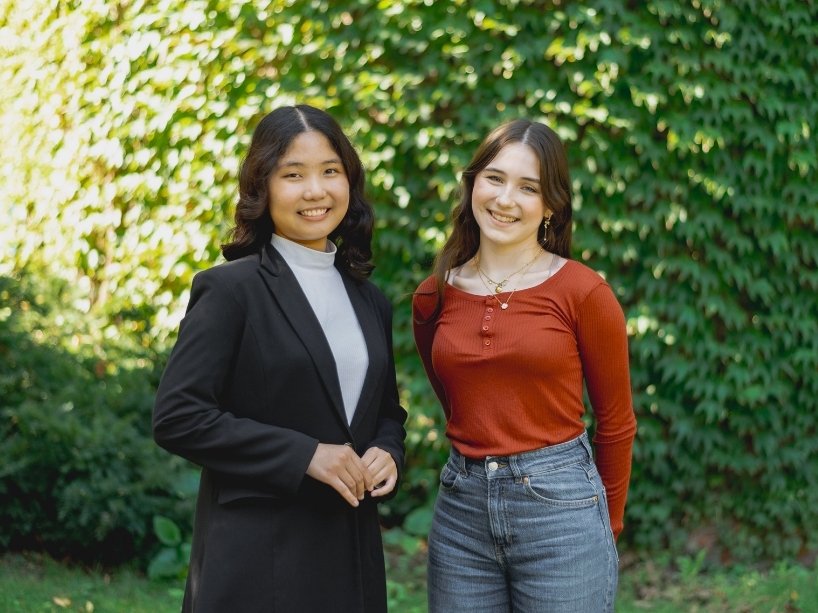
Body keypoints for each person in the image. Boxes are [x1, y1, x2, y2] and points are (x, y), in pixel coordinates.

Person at [153, 104, 407, 613]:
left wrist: (388, 449)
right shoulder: (230, 291)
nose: (316, 191)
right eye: (293, 175)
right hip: (257, 564)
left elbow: (384, 413)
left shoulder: (369, 298)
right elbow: (178, 418)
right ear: (262, 187)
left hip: (350, 560)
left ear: (350, 183)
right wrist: (305, 455)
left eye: (330, 172)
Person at [412, 118, 637, 612]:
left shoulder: (583, 292)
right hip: (461, 516)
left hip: (563, 513)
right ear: (473, 183)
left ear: (550, 206)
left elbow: (616, 422)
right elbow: (455, 397)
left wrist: (607, 527)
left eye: (528, 187)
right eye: (494, 178)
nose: (505, 199)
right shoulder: (434, 297)